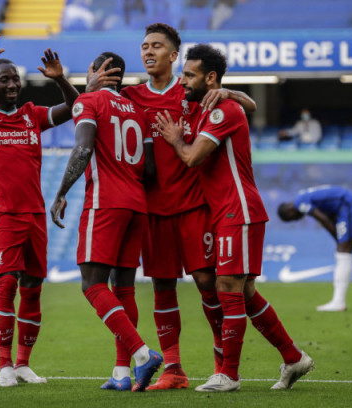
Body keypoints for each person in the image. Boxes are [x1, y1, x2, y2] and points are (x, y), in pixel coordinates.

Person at [86, 22, 258, 390]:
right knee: (162, 286)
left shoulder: (190, 90)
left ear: (174, 55)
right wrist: (85, 88)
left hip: (195, 205)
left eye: (157, 46)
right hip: (152, 208)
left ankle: (222, 364)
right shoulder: (130, 97)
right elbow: (89, 111)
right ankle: (174, 369)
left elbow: (248, 105)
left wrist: (228, 91)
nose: (148, 51)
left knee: (207, 283)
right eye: (144, 46)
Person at [156, 43, 313, 392]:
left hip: (237, 209)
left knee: (227, 288)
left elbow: (193, 158)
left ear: (210, 78)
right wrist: (232, 93)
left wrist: (176, 140)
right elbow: (248, 103)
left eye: (190, 75)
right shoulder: (209, 107)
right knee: (246, 292)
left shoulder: (220, 111)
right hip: (226, 211)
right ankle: (293, 357)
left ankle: (228, 374)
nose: (183, 81)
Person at [0, 28, 79, 387]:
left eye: (16, 80)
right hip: (3, 214)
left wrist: (60, 79)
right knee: (7, 283)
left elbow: (75, 109)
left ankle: (23, 364)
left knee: (33, 287)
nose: (12, 85)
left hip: (35, 215)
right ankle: (4, 365)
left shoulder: (31, 115)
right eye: (4, 80)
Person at [50, 52, 163, 392]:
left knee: (92, 285)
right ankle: (121, 373)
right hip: (136, 205)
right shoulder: (139, 112)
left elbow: (83, 149)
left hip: (105, 202)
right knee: (123, 288)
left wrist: (61, 192)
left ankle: (142, 354)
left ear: (95, 72)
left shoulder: (88, 102)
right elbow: (150, 170)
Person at [278, 185, 352, 312]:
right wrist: (338, 238)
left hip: (348, 205)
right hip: (350, 204)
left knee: (343, 253)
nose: (297, 219)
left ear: (289, 212)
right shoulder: (302, 195)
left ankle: (338, 302)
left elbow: (323, 219)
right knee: (344, 254)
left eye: (294, 218)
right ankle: (338, 301)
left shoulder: (299, 203)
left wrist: (337, 237)